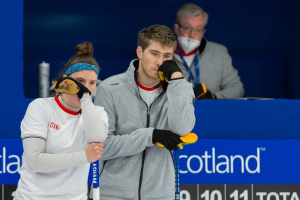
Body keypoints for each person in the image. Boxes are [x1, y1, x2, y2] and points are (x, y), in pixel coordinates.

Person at [92, 25, 195, 200]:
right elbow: (102, 147)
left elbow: (183, 128)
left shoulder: (180, 89)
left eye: (167, 56)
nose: (160, 62)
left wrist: (177, 81)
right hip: (113, 194)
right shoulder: (109, 89)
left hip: (161, 195)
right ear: (140, 52)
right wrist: (150, 135)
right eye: (154, 53)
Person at [14, 42, 108, 200]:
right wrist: (84, 156)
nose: (87, 87)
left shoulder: (98, 113)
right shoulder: (40, 107)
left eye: (92, 83)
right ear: (66, 81)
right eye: (80, 81)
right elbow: (35, 162)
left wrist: (85, 99)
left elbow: (96, 137)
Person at [173, 3, 244, 99]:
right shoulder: (159, 55)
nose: (192, 34)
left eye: (198, 29)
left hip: (212, 112)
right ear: (176, 28)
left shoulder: (219, 52)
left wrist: (213, 98)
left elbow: (237, 88)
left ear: (203, 32)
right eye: (187, 28)